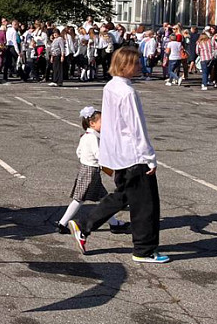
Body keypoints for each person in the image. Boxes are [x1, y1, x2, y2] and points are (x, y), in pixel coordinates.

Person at [68, 47, 169, 264]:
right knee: (146, 204)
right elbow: (136, 127)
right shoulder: (127, 92)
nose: (139, 66)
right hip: (133, 155)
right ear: (125, 65)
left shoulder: (111, 86)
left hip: (118, 154)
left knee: (123, 195)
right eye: (136, 63)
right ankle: (144, 250)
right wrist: (149, 156)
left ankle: (85, 225)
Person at [53, 107, 128, 235]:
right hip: (91, 172)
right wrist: (110, 160)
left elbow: (78, 152)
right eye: (103, 123)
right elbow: (99, 155)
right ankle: (62, 223)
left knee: (103, 199)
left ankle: (114, 224)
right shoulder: (93, 138)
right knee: (79, 199)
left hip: (86, 169)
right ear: (92, 123)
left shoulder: (86, 136)